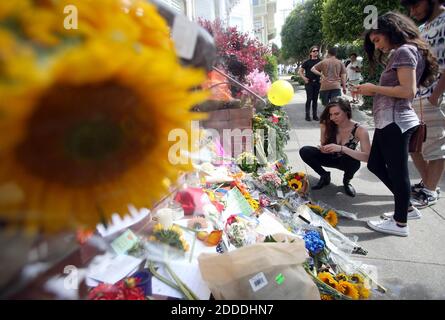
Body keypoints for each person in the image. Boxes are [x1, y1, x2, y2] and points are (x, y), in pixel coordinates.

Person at [355, 12, 438, 236]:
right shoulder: (406, 51)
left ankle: (400, 222)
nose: (377, 46)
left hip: (396, 122)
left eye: (377, 40)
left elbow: (407, 91)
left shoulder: (404, 51)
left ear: (390, 31)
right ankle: (407, 207)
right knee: (375, 164)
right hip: (388, 121)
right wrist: (371, 90)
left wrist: (374, 88)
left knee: (399, 171)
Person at [402, 0, 445, 209]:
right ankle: (429, 183)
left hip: (434, 96)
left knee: (436, 146)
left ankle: (429, 190)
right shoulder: (422, 28)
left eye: (415, 4)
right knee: (414, 143)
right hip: (418, 96)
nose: (413, 11)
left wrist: (436, 96)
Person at [299, 97, 371, 197]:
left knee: (354, 161)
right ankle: (324, 175)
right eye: (331, 114)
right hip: (329, 157)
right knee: (305, 151)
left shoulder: (360, 130)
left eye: (336, 114)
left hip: (345, 162)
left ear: (346, 112)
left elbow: (367, 157)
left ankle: (346, 181)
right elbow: (324, 145)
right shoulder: (329, 124)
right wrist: (324, 144)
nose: (333, 118)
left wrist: (342, 148)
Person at [299, 46, 322, 121]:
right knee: (309, 99)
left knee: (315, 99)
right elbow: (300, 71)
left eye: (317, 51)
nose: (316, 52)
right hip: (309, 83)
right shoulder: (307, 62)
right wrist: (304, 78)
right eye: (314, 51)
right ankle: (307, 115)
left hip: (317, 83)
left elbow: (324, 71)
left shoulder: (320, 61)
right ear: (310, 53)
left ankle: (315, 115)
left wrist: (322, 78)